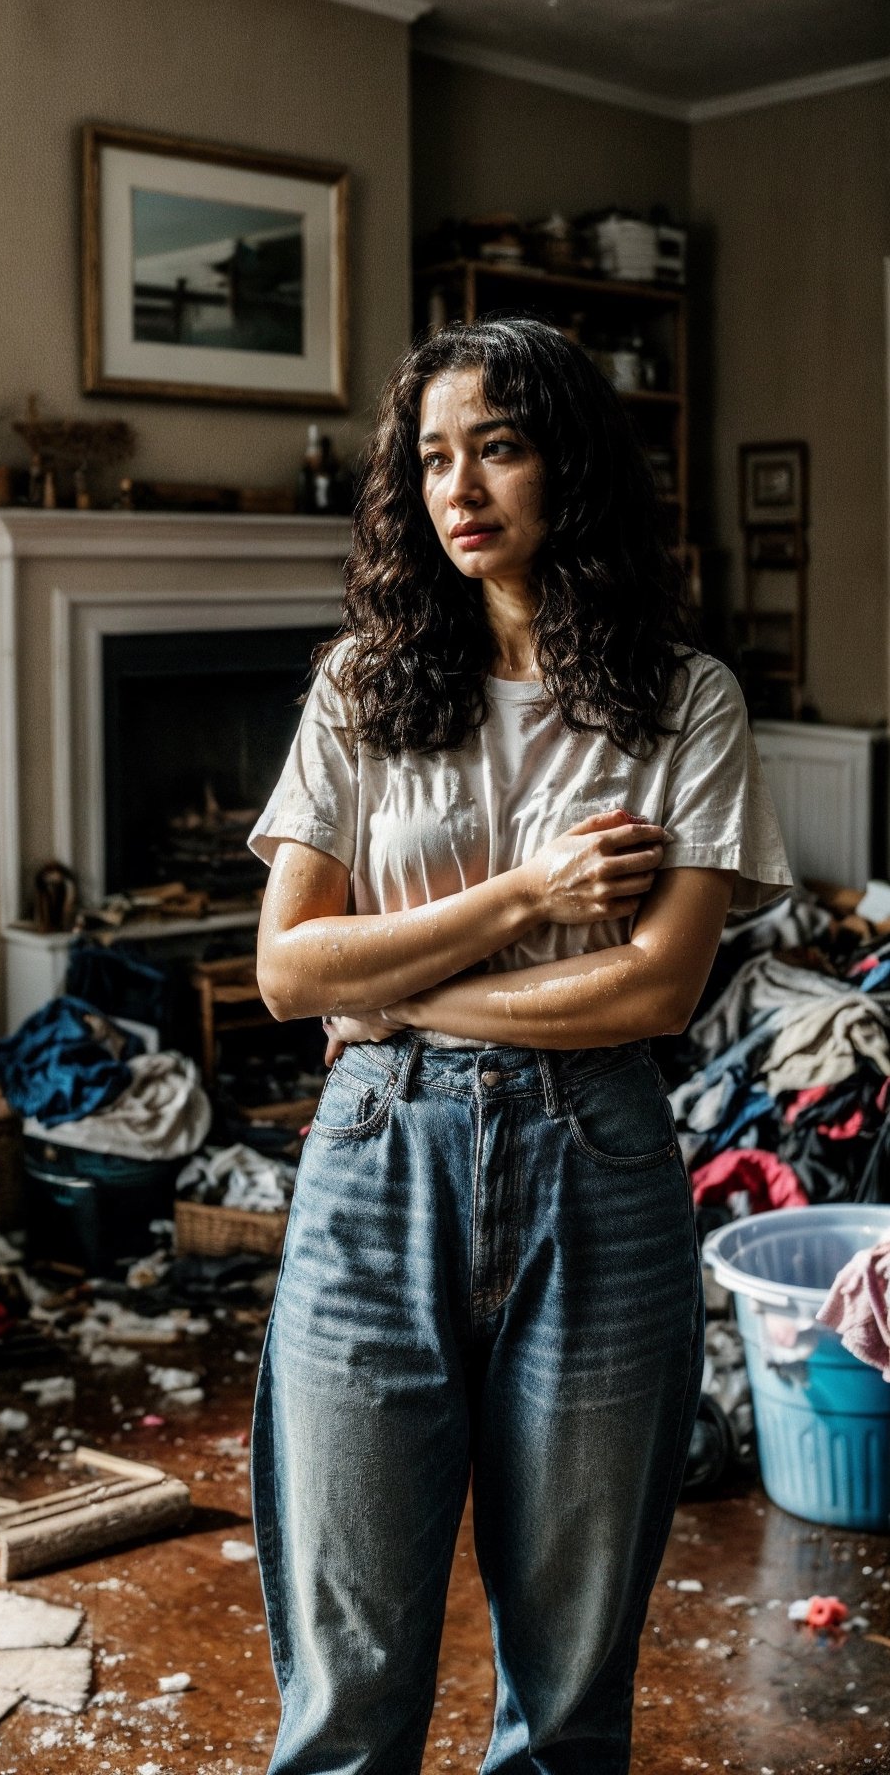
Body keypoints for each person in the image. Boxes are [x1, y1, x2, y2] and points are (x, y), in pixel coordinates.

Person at [246, 316, 793, 1774]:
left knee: (566, 1708)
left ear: (573, 465)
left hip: (599, 1166)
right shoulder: (363, 690)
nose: (459, 486)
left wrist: (402, 988)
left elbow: (653, 995)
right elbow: (288, 970)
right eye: (432, 456)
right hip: (374, 1172)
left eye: (497, 444)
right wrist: (529, 900)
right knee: (349, 1701)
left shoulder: (687, 703)